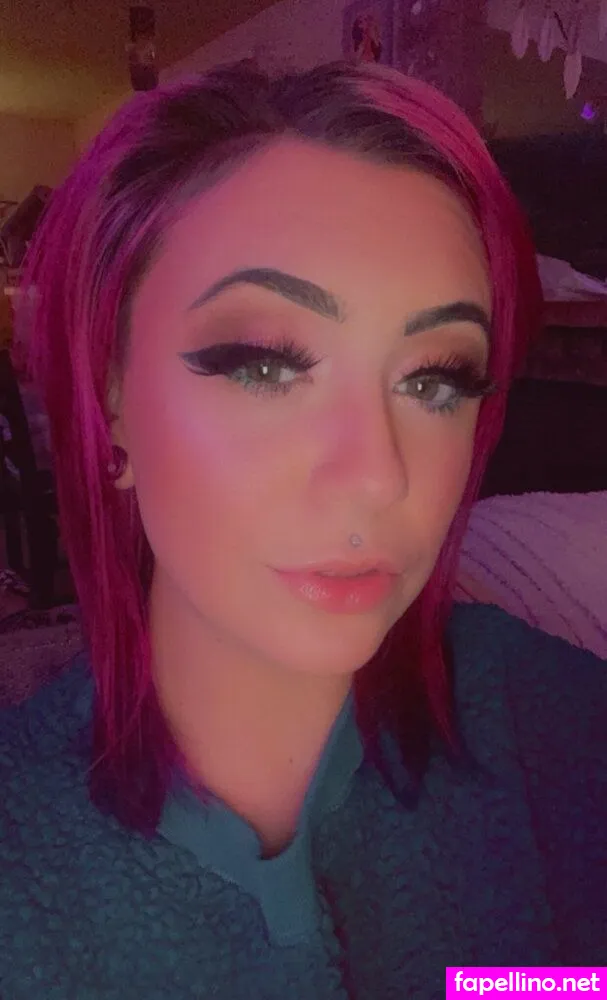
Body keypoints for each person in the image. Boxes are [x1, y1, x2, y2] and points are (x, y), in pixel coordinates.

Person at [1, 60, 605, 998]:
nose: (376, 475)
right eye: (264, 366)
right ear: (111, 398)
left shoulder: (559, 732)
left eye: (434, 379)